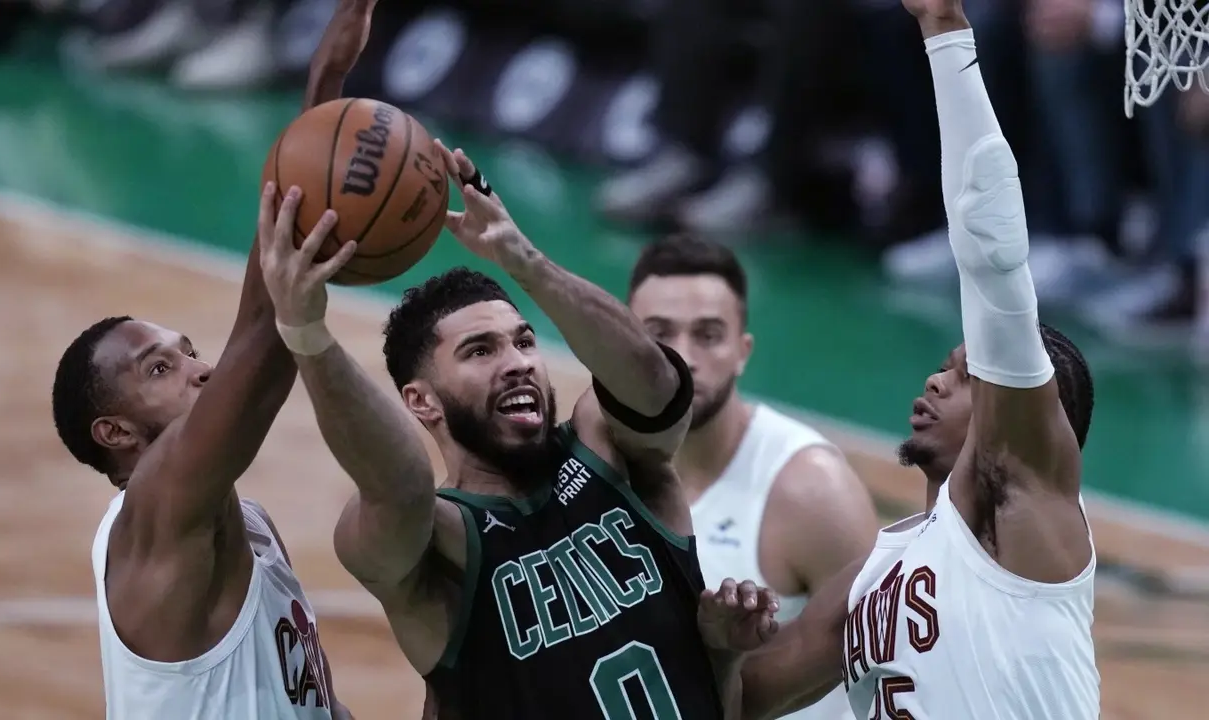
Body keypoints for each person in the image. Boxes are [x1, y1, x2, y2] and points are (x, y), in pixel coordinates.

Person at [259, 139, 774, 719]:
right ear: (421, 402)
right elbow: (397, 483)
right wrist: (306, 333)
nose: (517, 361)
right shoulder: (439, 542)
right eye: (480, 351)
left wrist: (522, 259)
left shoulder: (609, 452)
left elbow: (660, 390)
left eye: (524, 341)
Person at [732, 0, 1101, 718]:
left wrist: (941, 29)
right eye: (948, 365)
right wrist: (721, 642)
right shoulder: (876, 571)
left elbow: (993, 257)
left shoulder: (1023, 495)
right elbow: (743, 698)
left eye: (967, 375)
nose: (937, 377)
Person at [48, 3, 377, 717]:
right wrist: (321, 86)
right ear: (115, 433)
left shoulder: (247, 524)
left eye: (188, 352)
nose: (200, 369)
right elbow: (260, 353)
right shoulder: (152, 514)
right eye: (159, 369)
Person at [626, 234, 878, 719]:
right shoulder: (591, 468)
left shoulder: (809, 488)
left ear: (743, 351)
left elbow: (888, 660)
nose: (683, 357)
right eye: (659, 332)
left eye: (708, 334)